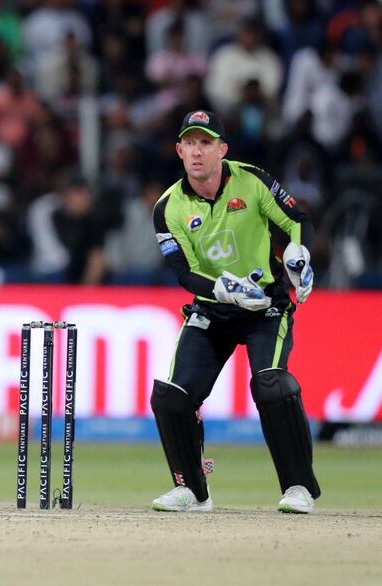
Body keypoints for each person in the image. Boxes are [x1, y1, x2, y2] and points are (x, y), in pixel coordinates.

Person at [151, 110, 320, 514]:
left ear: (222, 150)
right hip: (213, 311)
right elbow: (183, 272)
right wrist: (222, 289)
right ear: (178, 150)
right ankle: (193, 490)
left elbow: (298, 219)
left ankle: (298, 487)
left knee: (271, 384)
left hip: (265, 305)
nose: (197, 151)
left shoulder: (252, 178)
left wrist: (299, 254)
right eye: (189, 143)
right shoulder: (168, 207)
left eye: (206, 143)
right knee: (172, 397)